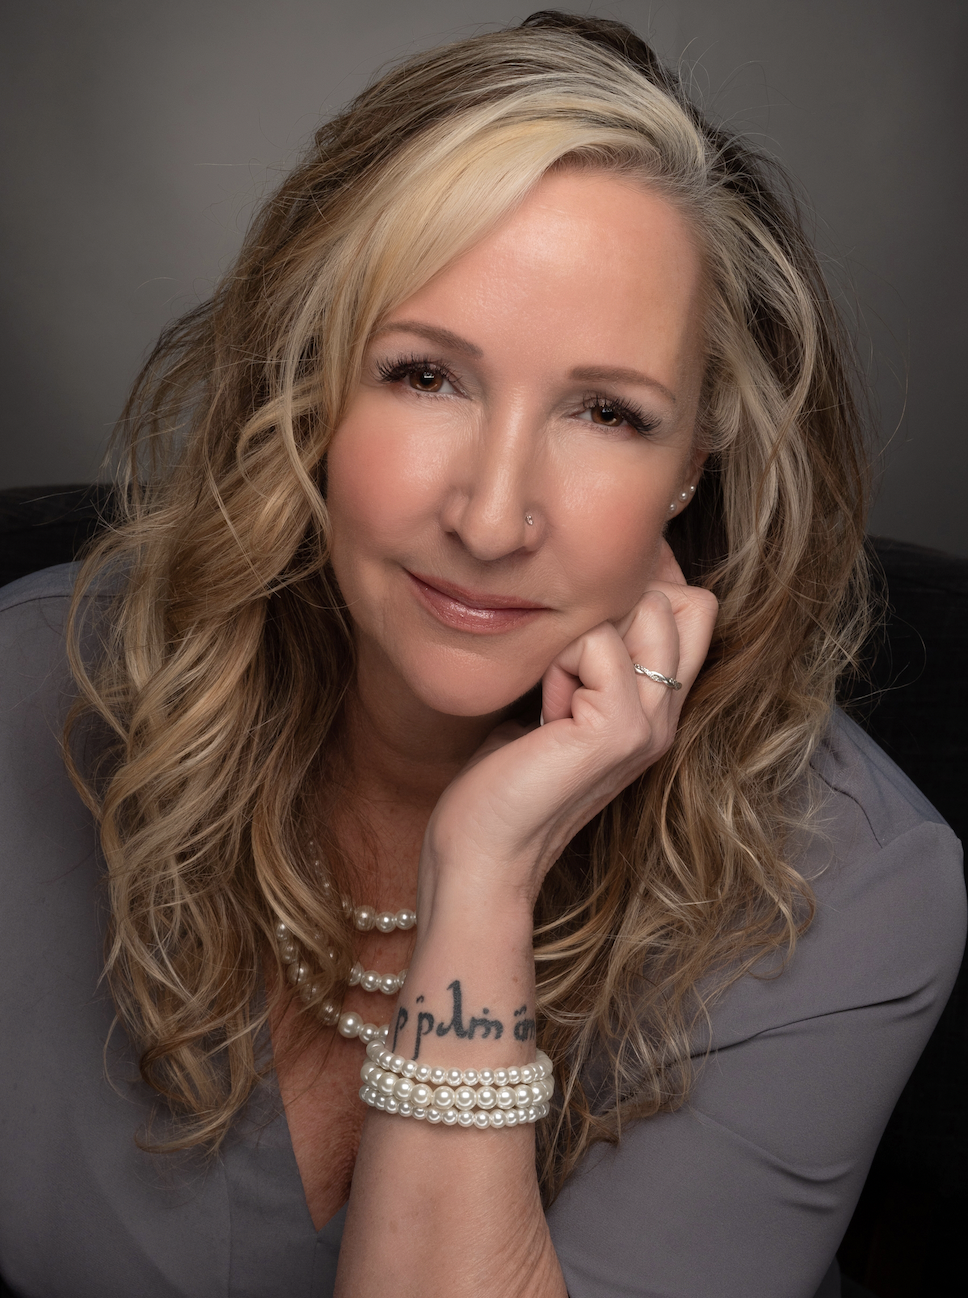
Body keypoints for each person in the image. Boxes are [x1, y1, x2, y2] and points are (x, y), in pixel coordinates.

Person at [0, 11, 963, 1298]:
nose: (492, 515)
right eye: (424, 377)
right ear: (314, 384)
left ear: (695, 463)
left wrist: (485, 873)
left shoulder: (845, 892)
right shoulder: (28, 690)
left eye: (607, 411)